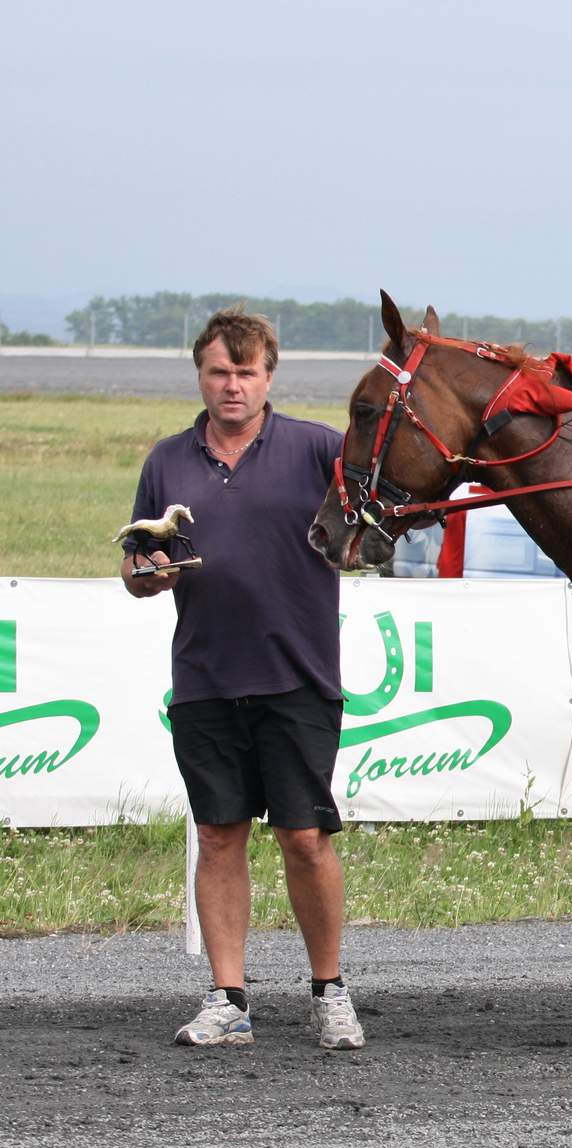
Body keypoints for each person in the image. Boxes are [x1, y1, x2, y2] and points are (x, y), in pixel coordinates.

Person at [121, 307, 363, 1051]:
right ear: (200, 373)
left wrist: (355, 546)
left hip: (298, 675)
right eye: (219, 371)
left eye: (246, 372)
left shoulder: (322, 449)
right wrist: (147, 572)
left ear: (269, 375)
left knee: (305, 837)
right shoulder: (167, 459)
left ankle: (329, 991)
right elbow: (135, 565)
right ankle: (228, 997)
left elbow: (367, 533)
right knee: (218, 835)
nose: (232, 385)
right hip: (203, 677)